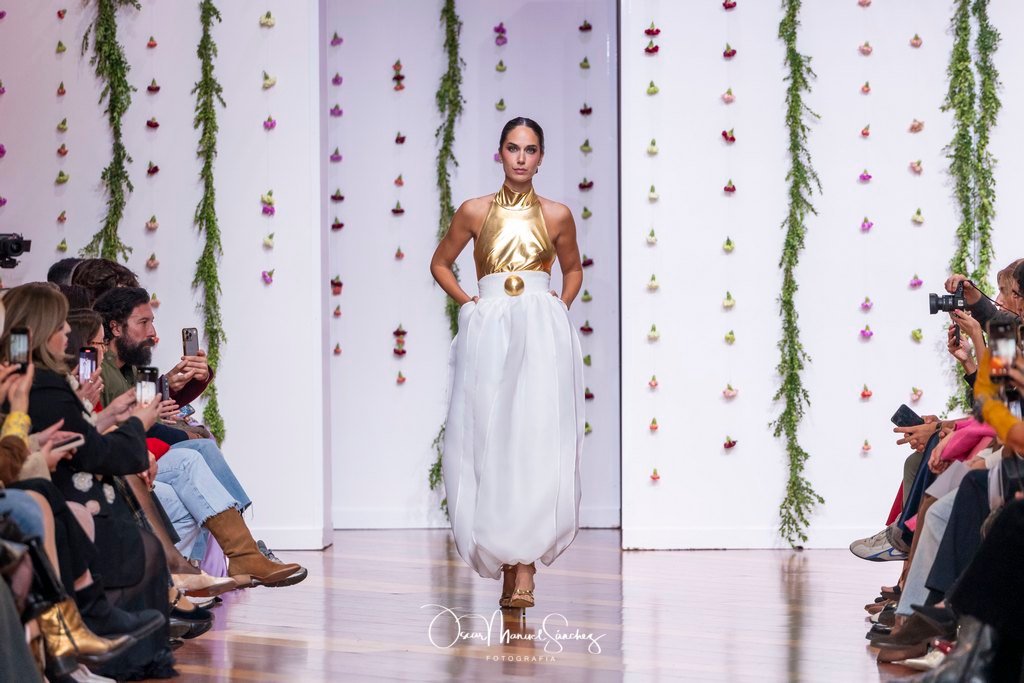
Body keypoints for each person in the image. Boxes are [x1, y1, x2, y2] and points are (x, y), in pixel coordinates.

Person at [429, 116, 585, 610]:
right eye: (513, 148)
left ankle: (525, 567)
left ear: (541, 157)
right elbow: (440, 262)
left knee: (534, 438)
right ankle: (503, 557)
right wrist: (469, 303)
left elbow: (573, 269)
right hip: (489, 329)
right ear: (499, 153)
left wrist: (558, 306)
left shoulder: (557, 215)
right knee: (489, 439)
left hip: (540, 331)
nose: (521, 157)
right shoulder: (474, 211)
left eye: (530, 149)